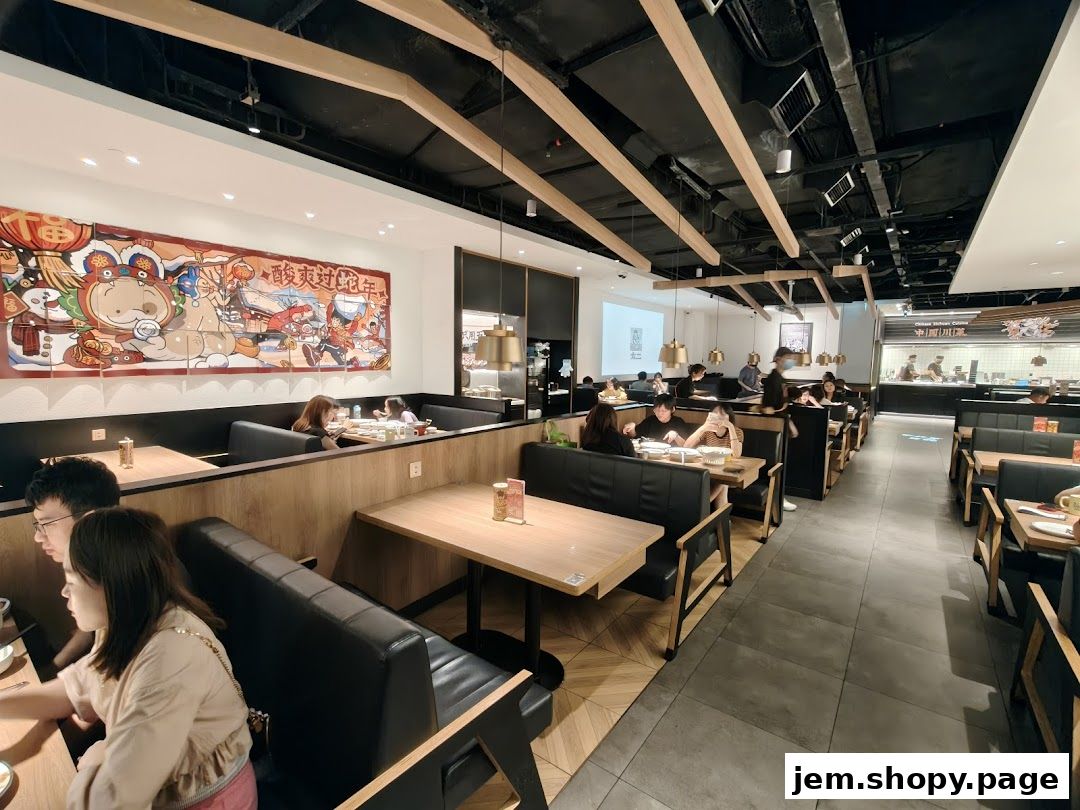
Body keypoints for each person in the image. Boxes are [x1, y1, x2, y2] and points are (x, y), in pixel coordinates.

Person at [0, 508, 255, 808]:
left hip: (207, 800)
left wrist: (97, 762)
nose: (63, 591)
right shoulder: (123, 624)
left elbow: (111, 802)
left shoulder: (170, 658)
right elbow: (73, 690)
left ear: (111, 584)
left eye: (71, 578)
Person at [25, 458, 122, 670]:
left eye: (47, 524)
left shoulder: (124, 577)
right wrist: (53, 668)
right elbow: (90, 634)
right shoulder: (93, 560)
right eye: (37, 525)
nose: (38, 537)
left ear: (89, 520)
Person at [684, 406, 744, 509]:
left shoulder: (737, 431)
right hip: (710, 470)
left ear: (729, 417)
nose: (718, 417)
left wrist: (730, 427)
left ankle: (701, 507)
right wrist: (703, 427)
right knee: (721, 484)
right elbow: (686, 446)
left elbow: (737, 454)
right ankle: (722, 522)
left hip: (727, 473)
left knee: (723, 482)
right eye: (715, 413)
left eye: (722, 414)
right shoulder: (708, 431)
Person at [761, 348, 798, 512]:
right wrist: (786, 422)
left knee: (781, 462)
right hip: (774, 429)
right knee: (776, 464)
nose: (791, 361)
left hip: (781, 425)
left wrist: (788, 422)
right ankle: (777, 499)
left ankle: (779, 497)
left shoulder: (780, 379)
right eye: (788, 357)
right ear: (778, 359)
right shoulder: (772, 379)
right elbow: (768, 408)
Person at [622, 394, 689, 445]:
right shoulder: (651, 420)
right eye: (657, 410)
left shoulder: (678, 422)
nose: (659, 413)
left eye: (663, 411)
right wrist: (632, 428)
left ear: (672, 409)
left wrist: (676, 436)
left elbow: (686, 445)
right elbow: (636, 435)